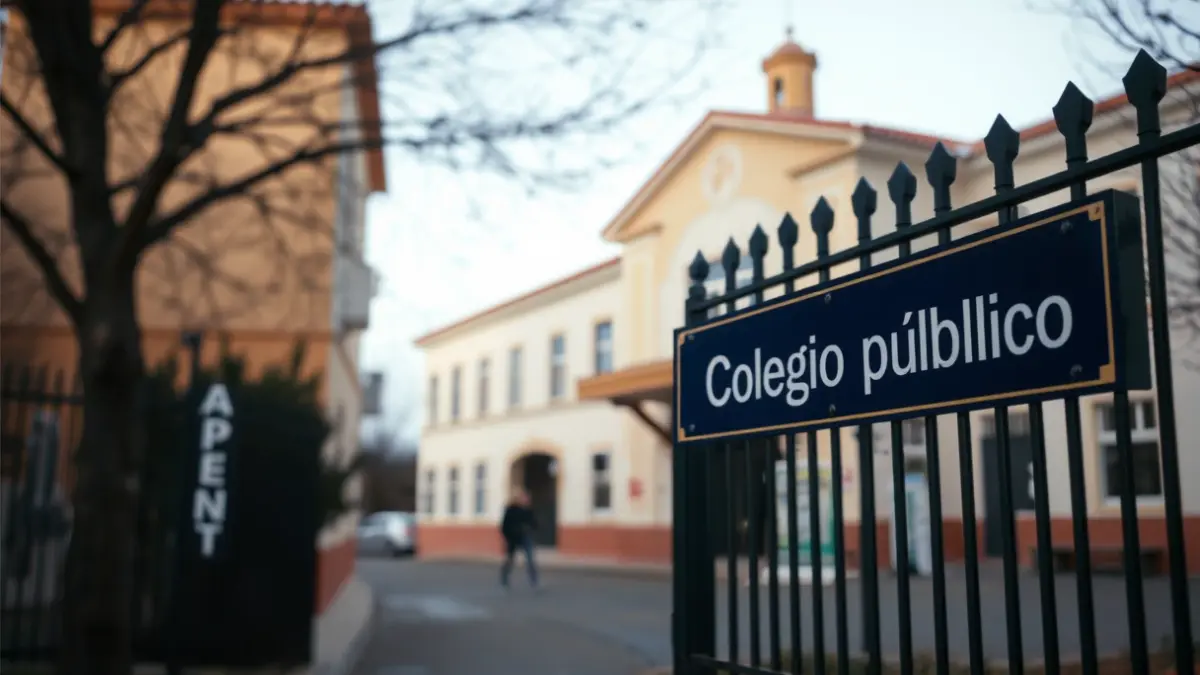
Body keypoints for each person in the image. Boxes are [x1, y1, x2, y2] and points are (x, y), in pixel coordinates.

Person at [499, 487, 539, 589]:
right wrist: (507, 537)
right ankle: (504, 579)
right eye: (524, 497)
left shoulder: (528, 510)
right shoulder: (511, 510)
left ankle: (534, 581)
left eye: (527, 498)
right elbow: (504, 525)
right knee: (510, 559)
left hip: (525, 537)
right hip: (513, 538)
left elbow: (534, 523)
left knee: (530, 559)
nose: (526, 499)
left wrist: (532, 527)